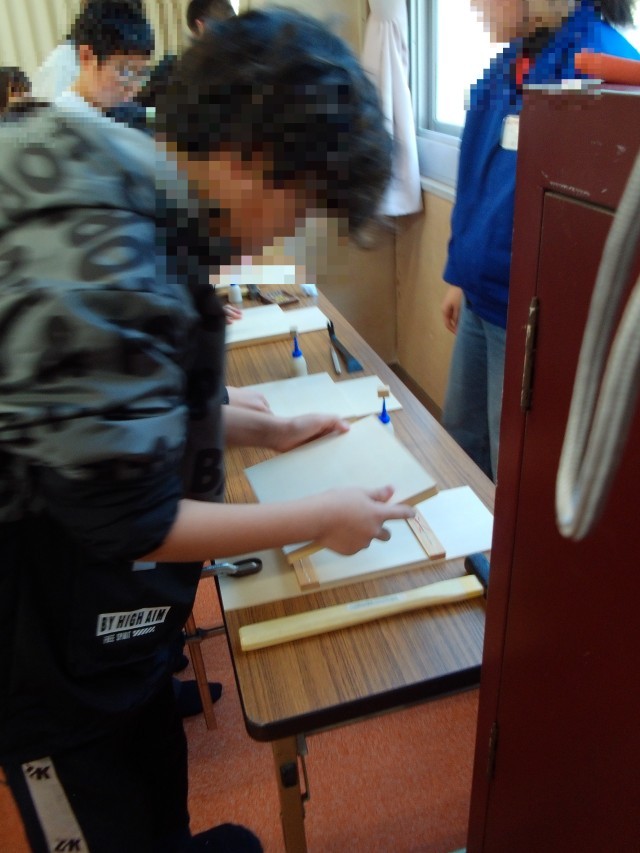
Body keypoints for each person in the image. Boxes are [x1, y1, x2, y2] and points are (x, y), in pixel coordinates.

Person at [0, 8, 410, 852]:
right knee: (95, 788)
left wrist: (258, 427)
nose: (292, 226)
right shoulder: (108, 250)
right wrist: (319, 516)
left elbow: (100, 401)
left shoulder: (128, 164)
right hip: (40, 632)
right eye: (300, 201)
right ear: (246, 156)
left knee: (150, 763)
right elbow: (132, 518)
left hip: (111, 619)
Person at [440, 0, 639, 481]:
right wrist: (458, 274)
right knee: (460, 440)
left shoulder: (602, 65)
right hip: (481, 295)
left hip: (529, 314)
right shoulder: (512, 61)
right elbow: (476, 178)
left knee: (511, 464)